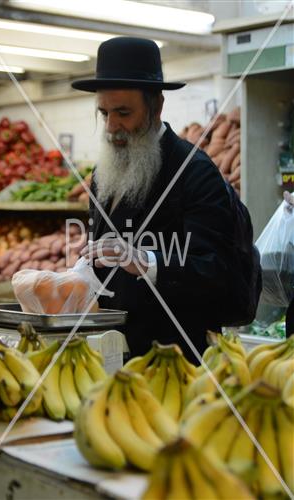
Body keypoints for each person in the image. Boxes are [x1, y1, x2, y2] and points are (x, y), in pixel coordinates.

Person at [72, 37, 235, 364]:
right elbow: (103, 256)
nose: (112, 126)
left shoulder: (195, 172)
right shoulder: (104, 174)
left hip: (178, 360)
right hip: (113, 354)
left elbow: (219, 270)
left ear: (157, 106)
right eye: (103, 113)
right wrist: (77, 277)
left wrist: (148, 261)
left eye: (123, 112)